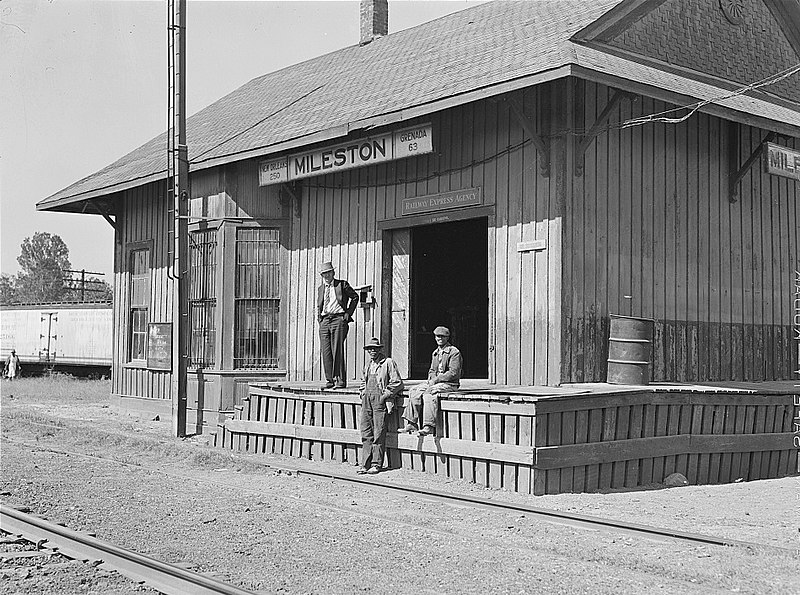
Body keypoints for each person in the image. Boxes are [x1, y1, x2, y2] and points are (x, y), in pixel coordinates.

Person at [401, 326, 462, 436]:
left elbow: (453, 373)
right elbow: (432, 370)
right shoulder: (435, 353)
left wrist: (436, 379)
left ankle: (428, 425)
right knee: (415, 390)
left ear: (447, 338)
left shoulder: (454, 352)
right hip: (436, 382)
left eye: (442, 336)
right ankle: (411, 423)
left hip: (450, 384)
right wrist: (431, 379)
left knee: (429, 393)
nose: (439, 338)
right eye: (437, 336)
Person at [357, 337, 404, 475]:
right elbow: (362, 382)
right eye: (370, 349)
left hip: (380, 400)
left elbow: (397, 382)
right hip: (367, 400)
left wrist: (385, 396)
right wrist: (363, 392)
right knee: (366, 433)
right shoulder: (368, 365)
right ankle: (364, 464)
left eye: (375, 348)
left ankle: (376, 464)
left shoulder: (387, 363)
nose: (372, 351)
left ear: (379, 349)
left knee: (379, 432)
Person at [317, 261, 359, 389]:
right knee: (326, 351)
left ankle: (340, 381)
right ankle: (330, 380)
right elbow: (320, 305)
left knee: (337, 350)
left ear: (333, 273)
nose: (327, 276)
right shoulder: (321, 289)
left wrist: (348, 313)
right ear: (322, 275)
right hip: (325, 320)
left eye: (329, 272)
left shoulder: (342, 284)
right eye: (324, 274)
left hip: (338, 319)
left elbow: (355, 297)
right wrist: (319, 319)